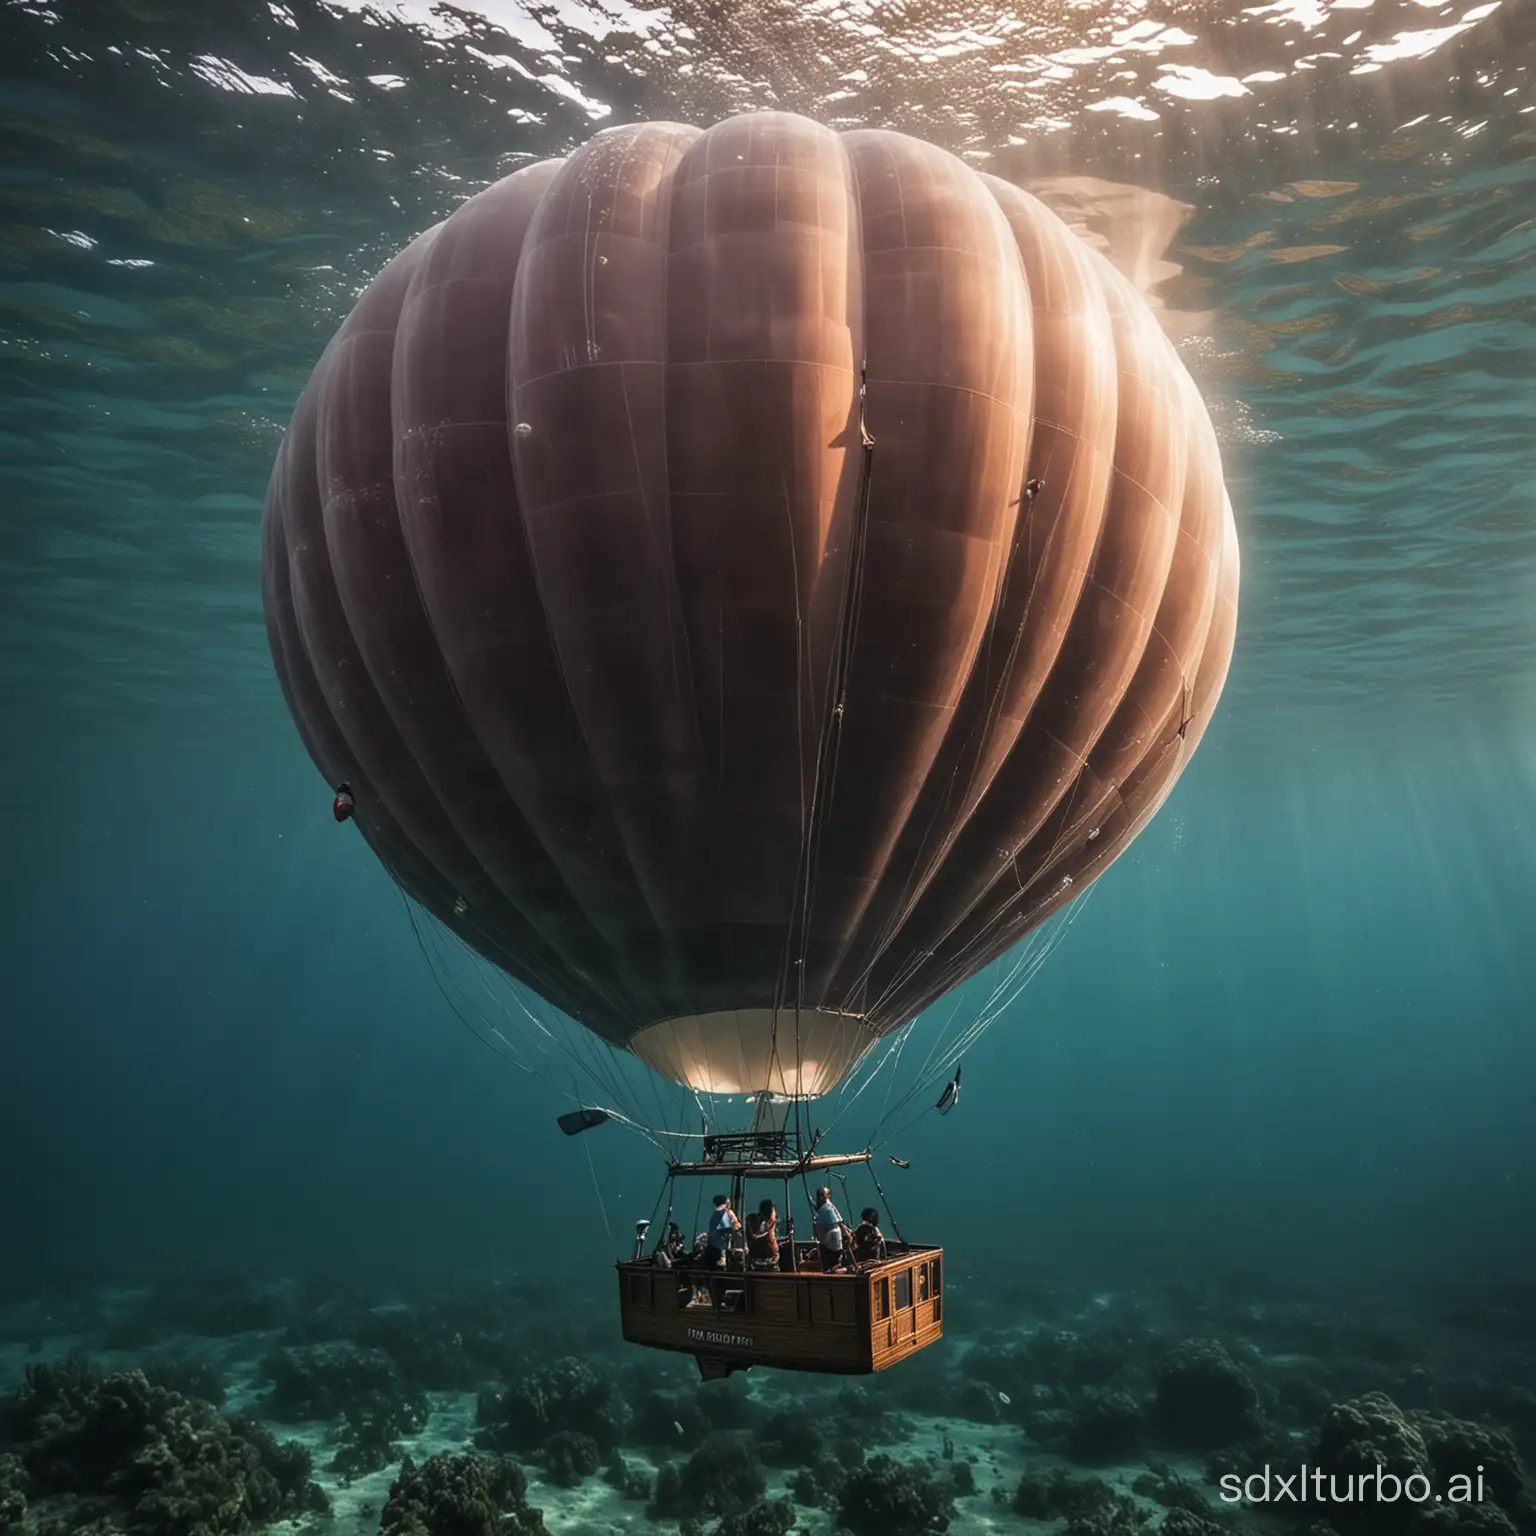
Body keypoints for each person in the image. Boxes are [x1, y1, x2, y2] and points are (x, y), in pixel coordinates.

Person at [812, 1187, 851, 1272]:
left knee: (831, 1262)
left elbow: (838, 1222)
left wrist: (847, 1233)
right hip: (826, 1240)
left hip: (831, 1241)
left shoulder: (828, 1208)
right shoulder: (823, 1208)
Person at [705, 1193, 738, 1269]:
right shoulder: (724, 1213)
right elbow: (729, 1229)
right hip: (721, 1250)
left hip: (712, 1247)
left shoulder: (714, 1214)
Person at [745, 1198, 779, 1270]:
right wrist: (771, 1222)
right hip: (761, 1260)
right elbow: (758, 1233)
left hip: (766, 1258)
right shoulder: (757, 1220)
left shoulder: (756, 1220)